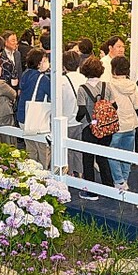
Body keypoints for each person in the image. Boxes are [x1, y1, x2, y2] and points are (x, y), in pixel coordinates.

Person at [77, 56, 115, 197]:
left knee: (88, 160)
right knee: (103, 157)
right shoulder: (106, 86)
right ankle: (109, 187)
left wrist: (80, 120)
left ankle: (90, 191)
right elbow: (114, 106)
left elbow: (81, 111)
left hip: (90, 127)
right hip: (106, 128)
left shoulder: (82, 89)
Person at [107, 55, 138, 191]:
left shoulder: (109, 85)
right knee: (127, 154)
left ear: (113, 69)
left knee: (112, 153)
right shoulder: (132, 85)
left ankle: (119, 180)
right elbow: (137, 104)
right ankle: (125, 179)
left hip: (116, 124)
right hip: (131, 123)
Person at [17, 48, 51, 167]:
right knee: (43, 151)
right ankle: (43, 174)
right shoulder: (43, 79)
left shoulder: (25, 74)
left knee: (31, 150)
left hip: (24, 117)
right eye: (45, 60)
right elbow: (53, 96)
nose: (47, 63)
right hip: (37, 119)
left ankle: (31, 173)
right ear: (39, 63)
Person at [61, 50, 87, 179]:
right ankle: (80, 174)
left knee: (67, 151)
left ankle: (69, 174)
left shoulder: (61, 81)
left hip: (66, 121)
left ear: (63, 65)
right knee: (79, 150)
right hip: (82, 121)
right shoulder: (84, 79)